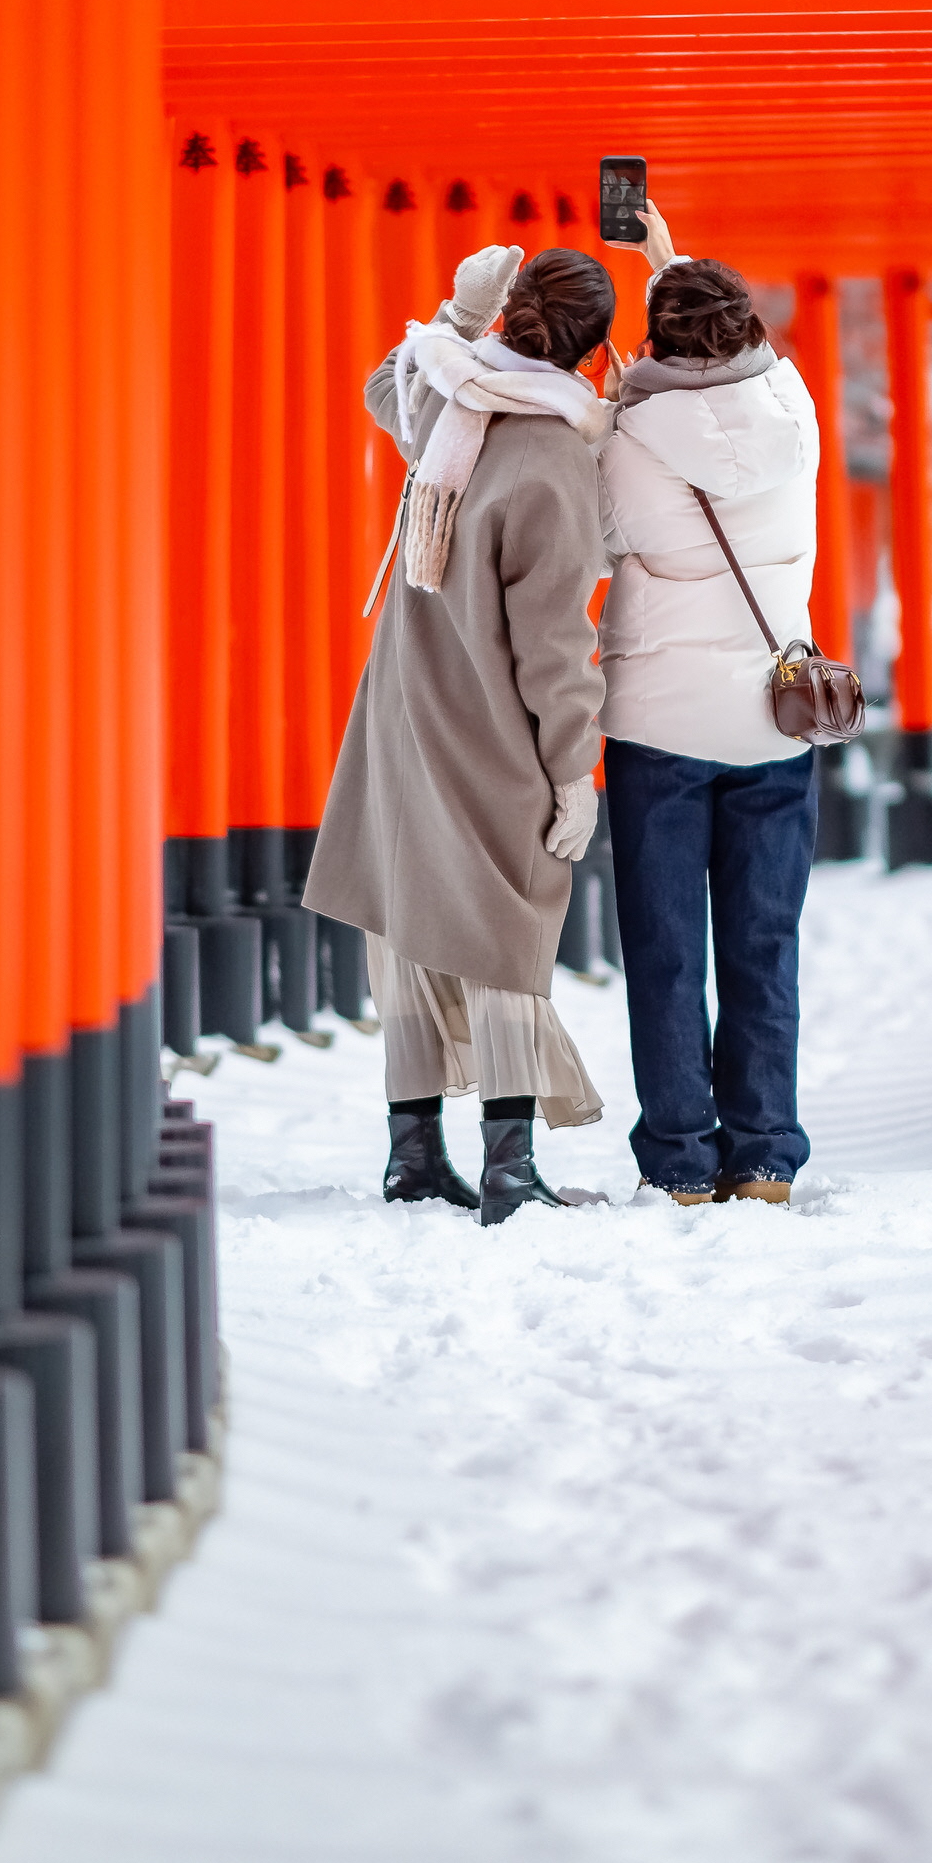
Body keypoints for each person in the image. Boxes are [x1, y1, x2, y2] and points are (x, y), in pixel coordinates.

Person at [306, 240, 619, 1226]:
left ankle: (411, 1152)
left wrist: (452, 316)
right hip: (491, 727)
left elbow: (379, 383)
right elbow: (555, 647)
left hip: (403, 708)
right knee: (505, 930)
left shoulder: (456, 404)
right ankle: (509, 1160)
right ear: (595, 352)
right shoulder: (556, 456)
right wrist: (574, 772)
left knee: (409, 928)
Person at [598, 207, 820, 1202]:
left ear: (657, 337)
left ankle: (683, 1158)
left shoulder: (624, 430)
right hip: (773, 721)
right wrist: (668, 255)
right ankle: (765, 1152)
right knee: (763, 942)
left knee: (666, 948)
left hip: (656, 725)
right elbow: (737, 352)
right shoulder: (796, 410)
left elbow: (604, 532)